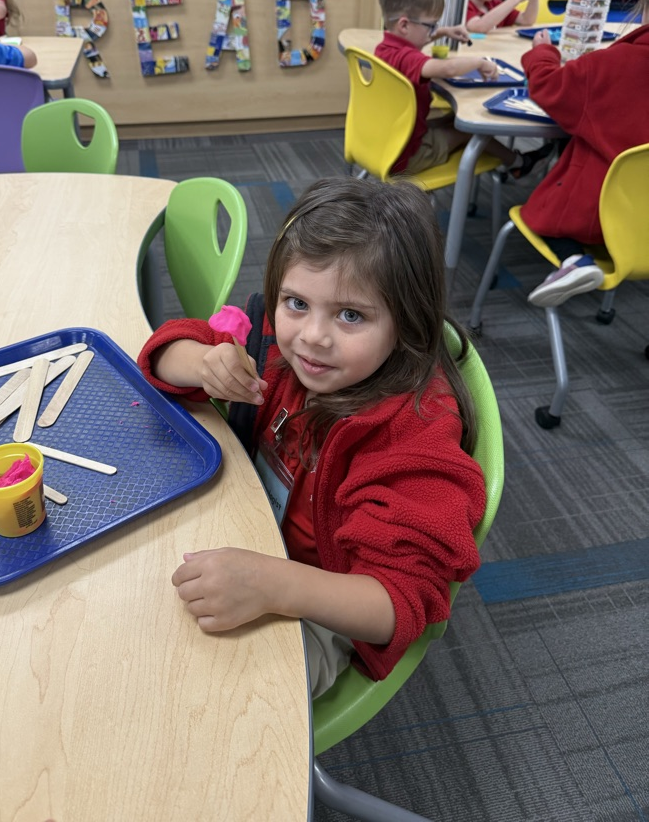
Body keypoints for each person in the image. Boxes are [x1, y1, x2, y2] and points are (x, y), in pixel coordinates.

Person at [138, 177, 487, 697]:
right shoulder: (276, 346)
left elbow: (402, 602)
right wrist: (204, 364)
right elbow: (164, 352)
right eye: (296, 303)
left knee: (196, 691)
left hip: (321, 601)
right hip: (250, 532)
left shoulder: (413, 433)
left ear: (406, 322)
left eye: (351, 315)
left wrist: (272, 585)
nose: (313, 337)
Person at [520, 0, 649, 307]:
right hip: (642, 225)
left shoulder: (614, 64)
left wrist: (541, 53)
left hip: (599, 218)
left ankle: (574, 260)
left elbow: (549, 86)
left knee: (546, 211)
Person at [376, 0, 531, 177]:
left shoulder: (385, 49)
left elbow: (412, 50)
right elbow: (446, 68)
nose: (432, 32)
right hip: (408, 157)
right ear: (404, 25)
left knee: (455, 119)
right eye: (430, 26)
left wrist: (442, 32)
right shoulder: (407, 58)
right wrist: (479, 62)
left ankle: (515, 161)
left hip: (387, 142)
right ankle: (518, 163)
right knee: (469, 130)